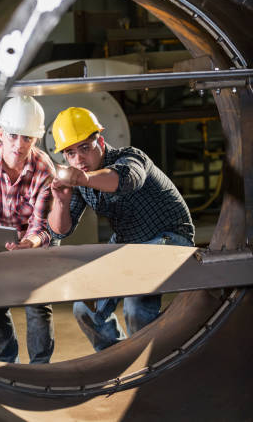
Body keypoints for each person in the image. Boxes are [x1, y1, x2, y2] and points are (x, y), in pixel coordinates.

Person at [48, 106, 194, 352]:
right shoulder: (83, 178)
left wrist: (82, 179)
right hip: (130, 244)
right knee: (85, 308)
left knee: (136, 306)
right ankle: (120, 360)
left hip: (170, 238)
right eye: (70, 153)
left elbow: (125, 180)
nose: (78, 159)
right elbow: (61, 231)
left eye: (85, 148)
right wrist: (61, 202)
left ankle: (155, 362)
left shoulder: (131, 157)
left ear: (101, 141)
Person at [0, 95, 55, 364]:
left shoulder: (44, 171)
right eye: (14, 135)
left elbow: (42, 227)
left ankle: (40, 370)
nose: (19, 144)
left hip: (31, 242)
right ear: (1, 133)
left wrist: (29, 243)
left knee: (37, 306)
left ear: (36, 139)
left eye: (27, 138)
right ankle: (7, 363)